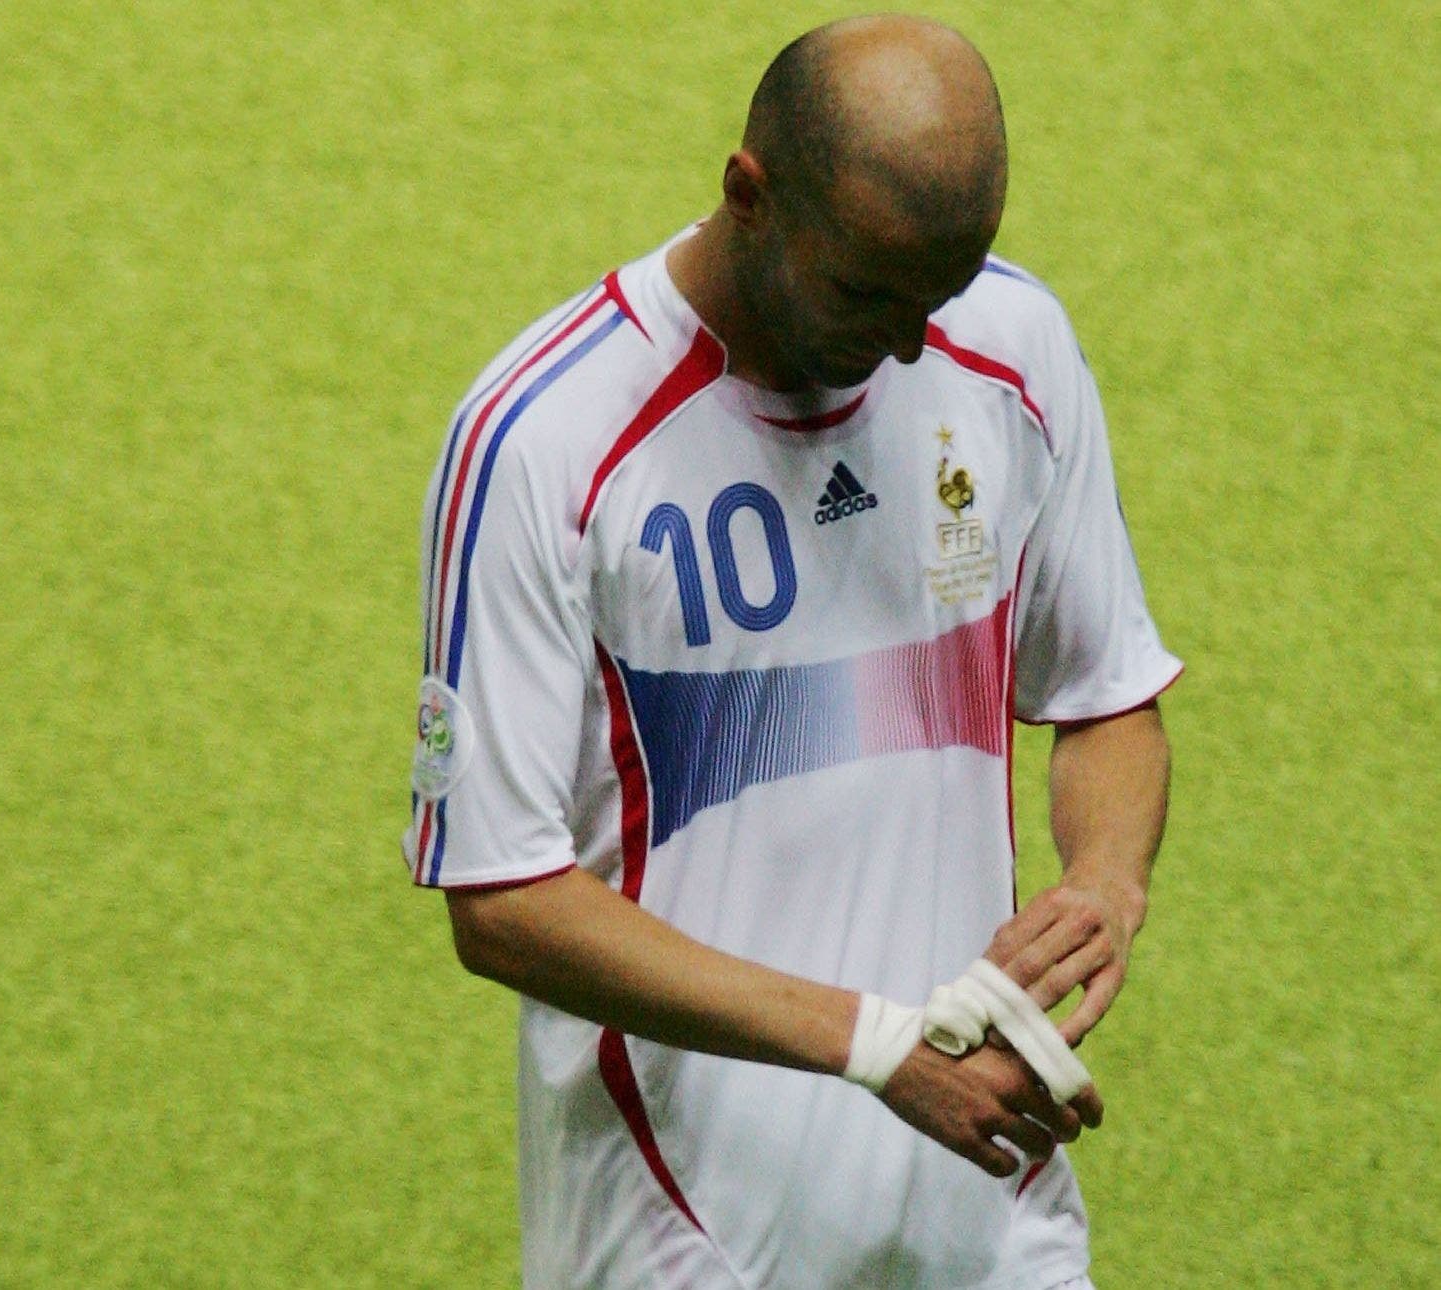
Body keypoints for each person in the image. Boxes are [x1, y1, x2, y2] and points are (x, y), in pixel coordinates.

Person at [402, 14, 1179, 1289]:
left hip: (988, 1207)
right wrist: (873, 1046)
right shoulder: (545, 442)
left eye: (939, 294)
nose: (911, 344)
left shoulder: (1008, 350)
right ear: (747, 195)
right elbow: (503, 900)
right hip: (686, 1231)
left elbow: (1105, 697)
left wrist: (1104, 882)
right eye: (865, 293)